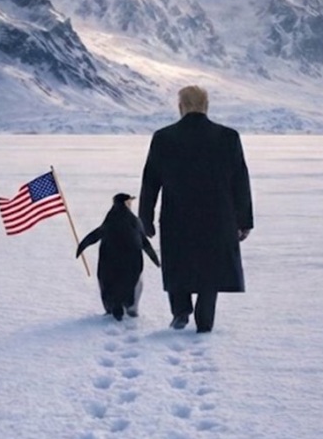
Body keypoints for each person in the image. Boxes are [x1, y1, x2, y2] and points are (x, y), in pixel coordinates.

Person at [138, 85, 253, 332]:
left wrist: (145, 219)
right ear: (206, 106)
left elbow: (150, 182)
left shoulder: (163, 137)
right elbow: (240, 181)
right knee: (211, 266)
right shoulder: (228, 137)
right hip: (218, 216)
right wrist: (244, 220)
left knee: (177, 261)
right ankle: (205, 318)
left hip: (176, 215)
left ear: (181, 107)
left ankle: (180, 311)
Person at [76, 192, 161, 321]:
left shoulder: (110, 220)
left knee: (108, 281)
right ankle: (131, 308)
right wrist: (155, 259)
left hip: (109, 264)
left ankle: (112, 306)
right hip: (131, 264)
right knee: (133, 281)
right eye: (129, 201)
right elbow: (145, 243)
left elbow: (95, 235)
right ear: (126, 203)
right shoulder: (134, 221)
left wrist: (82, 246)